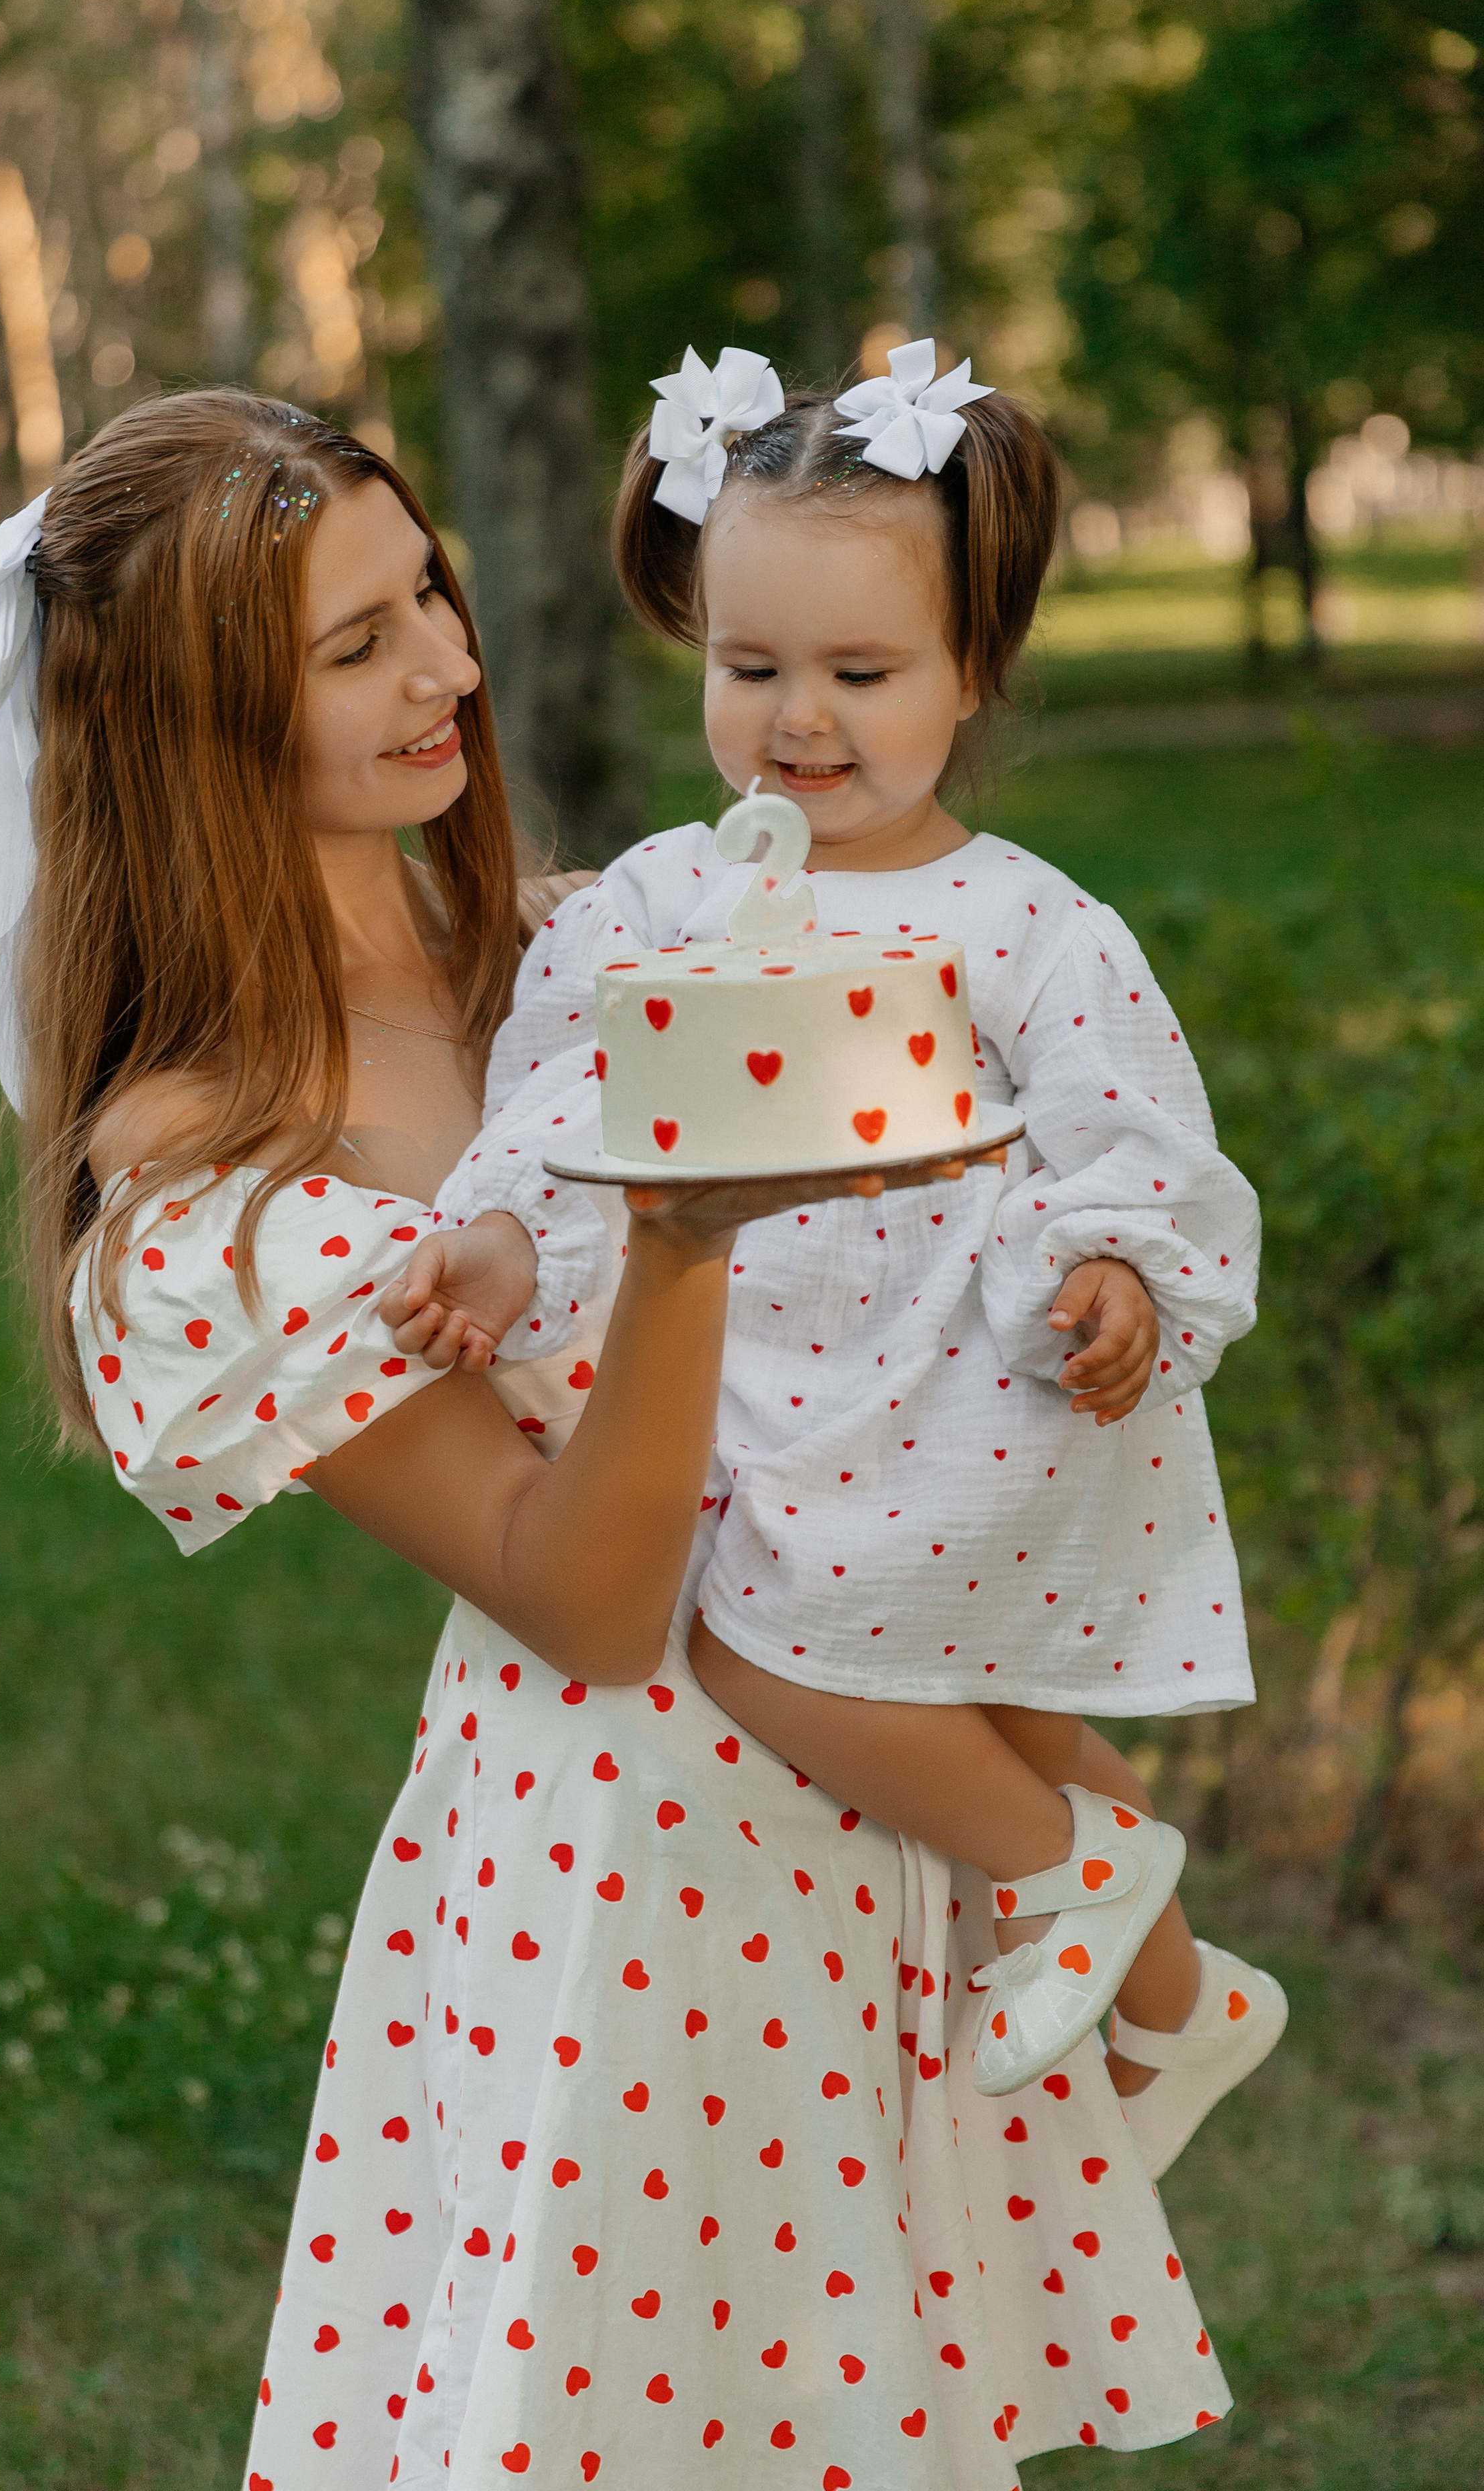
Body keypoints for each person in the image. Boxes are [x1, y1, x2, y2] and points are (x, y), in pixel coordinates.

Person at [0, 385, 1235, 2489]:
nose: (448, 671)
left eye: (429, 599)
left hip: (878, 1791)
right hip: (629, 1889)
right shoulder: (210, 1165)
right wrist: (678, 1239)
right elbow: (588, 1602)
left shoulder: (594, 942)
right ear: (190, 723)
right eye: (357, 645)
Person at [395, 339, 1287, 2158]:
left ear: (973, 673)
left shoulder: (1025, 921)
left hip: (965, 1383)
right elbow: (572, 1090)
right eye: (751, 668)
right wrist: (496, 1238)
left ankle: (1067, 1873)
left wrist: (1120, 1270)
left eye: (860, 674)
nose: (800, 720)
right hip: (770, 1390)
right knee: (961, 1696)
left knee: (778, 1660)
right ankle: (1185, 2001)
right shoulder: (664, 894)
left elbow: (1132, 1128)